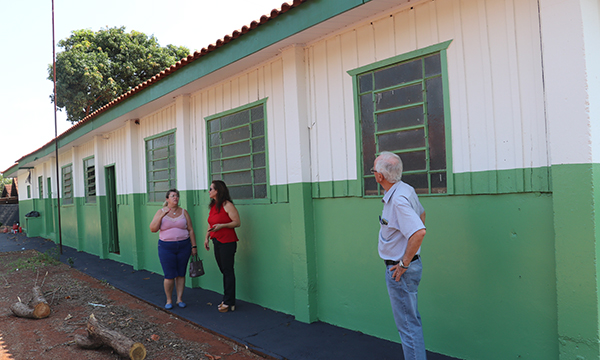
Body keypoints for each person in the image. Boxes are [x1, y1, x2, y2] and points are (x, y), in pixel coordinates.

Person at [373, 151, 427, 360]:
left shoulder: (398, 200)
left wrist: (403, 264)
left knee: (407, 327)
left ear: (380, 177)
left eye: (374, 171)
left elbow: (419, 231)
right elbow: (421, 215)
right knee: (411, 322)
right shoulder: (406, 190)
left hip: (400, 271)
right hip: (408, 266)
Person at [150, 189, 197, 310]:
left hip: (184, 246)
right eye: (172, 196)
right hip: (166, 247)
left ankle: (180, 299)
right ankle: (169, 299)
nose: (175, 198)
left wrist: (194, 246)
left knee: (181, 273)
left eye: (177, 196)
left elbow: (190, 229)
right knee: (169, 275)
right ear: (167, 199)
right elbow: (153, 229)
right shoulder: (160, 212)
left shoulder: (184, 212)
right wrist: (162, 215)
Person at [204, 180, 241, 313]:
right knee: (223, 269)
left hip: (228, 242)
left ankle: (229, 301)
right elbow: (210, 223)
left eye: (211, 189)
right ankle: (228, 299)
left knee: (228, 270)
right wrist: (206, 238)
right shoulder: (214, 205)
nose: (209, 191)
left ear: (217, 190)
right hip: (216, 241)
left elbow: (237, 222)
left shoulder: (227, 205)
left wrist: (223, 226)